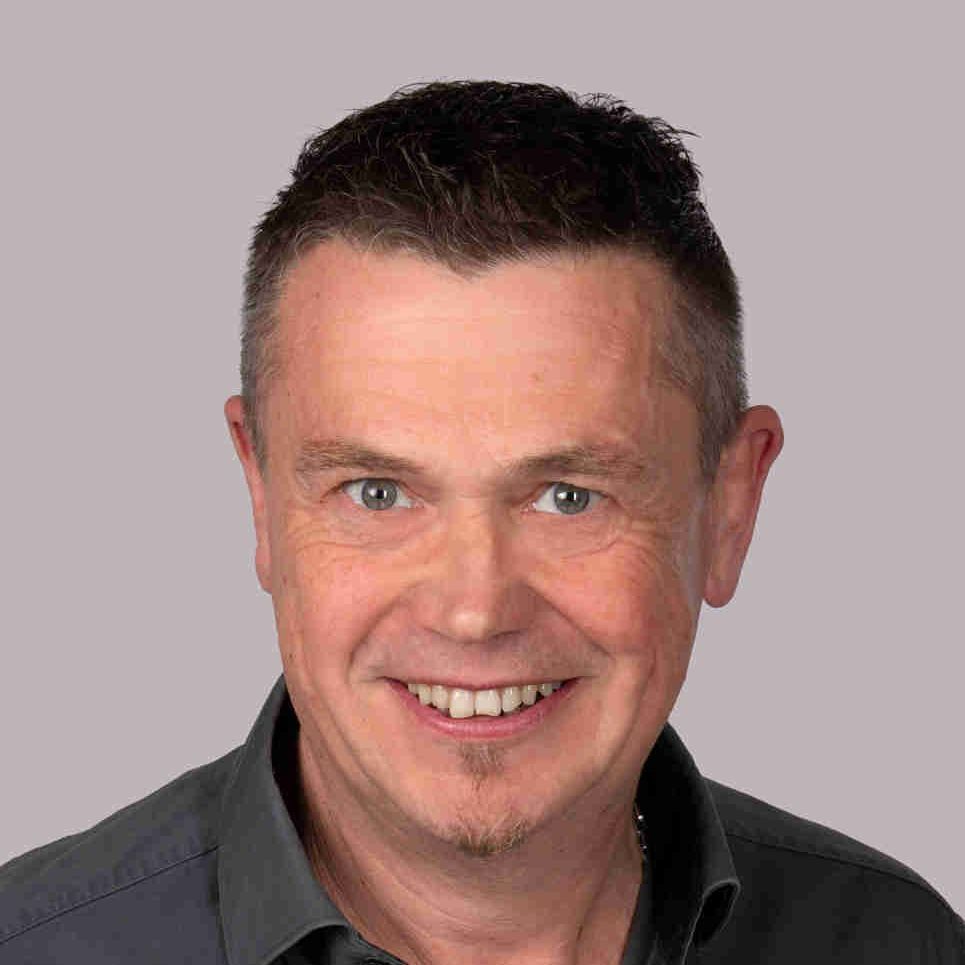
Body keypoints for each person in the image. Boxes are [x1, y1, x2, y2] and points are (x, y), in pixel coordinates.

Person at [0, 80, 961, 965]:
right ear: (260, 494)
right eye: (378, 492)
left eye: (568, 496)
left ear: (731, 508)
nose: (473, 610)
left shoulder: (896, 944)